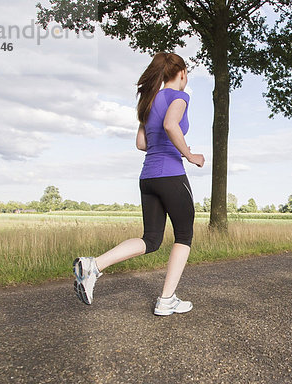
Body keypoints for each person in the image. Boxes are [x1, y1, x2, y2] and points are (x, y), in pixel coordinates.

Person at [72, 52, 205, 316]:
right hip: (170, 175)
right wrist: (189, 155)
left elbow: (142, 144)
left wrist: (171, 145)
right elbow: (170, 125)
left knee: (152, 239)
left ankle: (94, 266)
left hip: (148, 178)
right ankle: (167, 299)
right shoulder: (180, 97)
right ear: (181, 74)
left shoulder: (148, 101)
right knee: (184, 235)